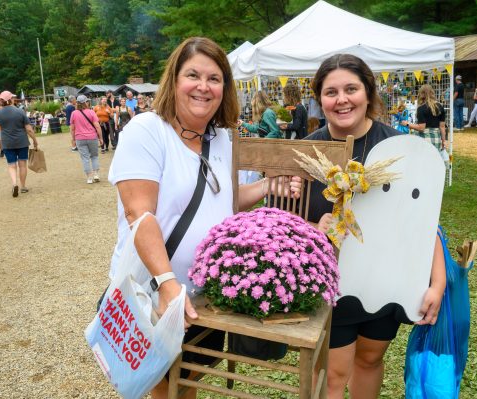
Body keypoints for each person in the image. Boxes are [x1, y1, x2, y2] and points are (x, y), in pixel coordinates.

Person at [107, 37, 300, 399]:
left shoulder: (223, 138)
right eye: (192, 75)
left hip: (202, 295)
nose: (203, 86)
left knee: (188, 379)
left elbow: (225, 201)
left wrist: (267, 186)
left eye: (214, 78)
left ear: (224, 88)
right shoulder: (146, 130)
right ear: (174, 80)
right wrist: (167, 284)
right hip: (153, 289)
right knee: (161, 384)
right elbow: (138, 212)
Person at [305, 54, 446, 399]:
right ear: (319, 99)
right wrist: (314, 226)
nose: (341, 99)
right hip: (330, 284)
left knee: (370, 359)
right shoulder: (308, 153)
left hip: (387, 280)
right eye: (331, 92)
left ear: (368, 92)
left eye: (351, 88)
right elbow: (282, 222)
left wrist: (438, 284)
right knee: (333, 373)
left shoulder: (401, 150)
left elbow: (424, 222)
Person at [0, 91, 39, 197]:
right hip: (22, 141)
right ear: (10, 99)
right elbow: (28, 129)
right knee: (22, 164)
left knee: (11, 165)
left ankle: (15, 184)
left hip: (7, 142)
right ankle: (23, 186)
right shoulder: (20, 111)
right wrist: (34, 140)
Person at [70, 95, 103, 184]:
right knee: (94, 156)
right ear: (85, 102)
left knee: (85, 158)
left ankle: (89, 178)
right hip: (92, 137)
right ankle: (96, 174)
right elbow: (97, 126)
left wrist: (73, 139)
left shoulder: (74, 113)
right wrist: (100, 138)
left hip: (79, 138)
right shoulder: (91, 112)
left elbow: (72, 128)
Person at [402, 84, 446, 151]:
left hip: (425, 140)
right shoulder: (440, 106)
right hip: (437, 139)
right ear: (432, 93)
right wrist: (443, 141)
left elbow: (421, 128)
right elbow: (442, 127)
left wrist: (407, 124)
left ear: (421, 94)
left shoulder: (421, 108)